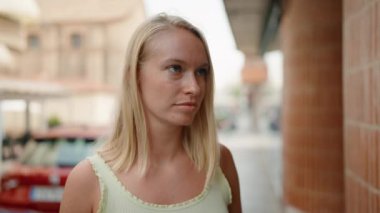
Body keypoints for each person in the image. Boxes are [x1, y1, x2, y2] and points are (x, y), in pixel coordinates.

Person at [59, 14, 242, 213]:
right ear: (135, 76)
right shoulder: (88, 180)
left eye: (201, 72)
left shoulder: (220, 162)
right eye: (175, 68)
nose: (195, 87)